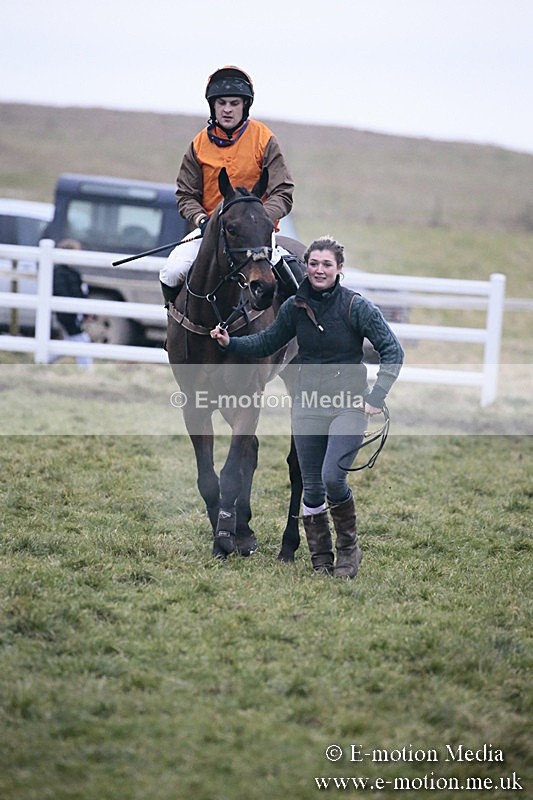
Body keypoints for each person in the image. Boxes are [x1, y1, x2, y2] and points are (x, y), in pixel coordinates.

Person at [211, 236, 404, 579]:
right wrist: (231, 342)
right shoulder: (294, 307)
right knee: (312, 487)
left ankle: (348, 550)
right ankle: (321, 558)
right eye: (313, 263)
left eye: (326, 264)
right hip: (307, 406)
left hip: (347, 405)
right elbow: (267, 341)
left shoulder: (356, 307)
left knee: (333, 478)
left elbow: (393, 350)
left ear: (339, 269)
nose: (318, 270)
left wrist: (376, 397)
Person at [159, 65, 295, 305]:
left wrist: (258, 218)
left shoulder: (265, 139)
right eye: (221, 103)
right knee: (171, 272)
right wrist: (202, 219)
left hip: (257, 236)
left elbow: (282, 192)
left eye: (234, 103)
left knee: (292, 281)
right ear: (213, 106)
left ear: (245, 105)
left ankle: (294, 335)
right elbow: (186, 195)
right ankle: (176, 335)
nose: (228, 109)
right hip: (212, 230)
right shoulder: (198, 145)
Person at [50, 238, 93, 367]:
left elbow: (82, 294)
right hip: (67, 314)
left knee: (71, 342)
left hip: (75, 313)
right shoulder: (60, 273)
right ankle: (86, 369)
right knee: (81, 340)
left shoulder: (74, 274)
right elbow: (62, 293)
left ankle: (44, 360)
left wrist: (85, 312)